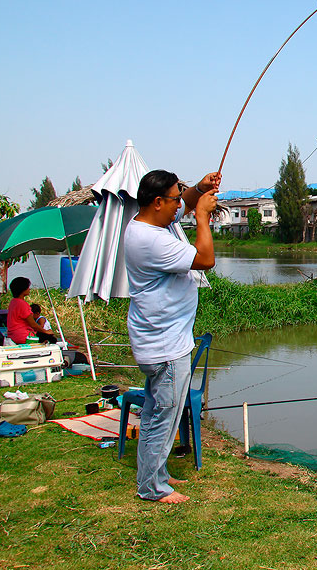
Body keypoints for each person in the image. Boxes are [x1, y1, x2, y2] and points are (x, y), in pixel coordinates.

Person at [124, 169, 219, 504]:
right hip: (166, 345)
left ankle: (156, 474)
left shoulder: (144, 224)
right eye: (176, 198)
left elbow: (183, 205)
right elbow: (205, 259)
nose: (181, 204)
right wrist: (203, 217)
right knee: (163, 418)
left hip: (158, 339)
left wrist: (198, 190)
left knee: (156, 412)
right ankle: (152, 488)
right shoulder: (153, 240)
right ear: (157, 202)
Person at [6, 277, 57, 345]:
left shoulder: (13, 302)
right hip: (24, 336)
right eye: (28, 287)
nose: (29, 289)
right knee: (52, 339)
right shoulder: (23, 304)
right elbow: (33, 324)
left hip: (13, 335)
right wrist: (46, 331)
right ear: (23, 289)